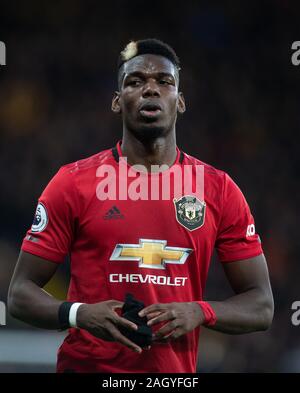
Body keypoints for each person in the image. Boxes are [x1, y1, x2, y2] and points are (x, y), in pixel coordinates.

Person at [8, 38, 274, 373]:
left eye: (164, 82)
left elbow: (262, 305)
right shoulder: (72, 183)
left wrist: (199, 311)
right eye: (135, 82)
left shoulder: (218, 189)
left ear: (180, 102)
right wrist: (79, 314)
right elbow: (19, 294)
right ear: (118, 102)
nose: (150, 89)